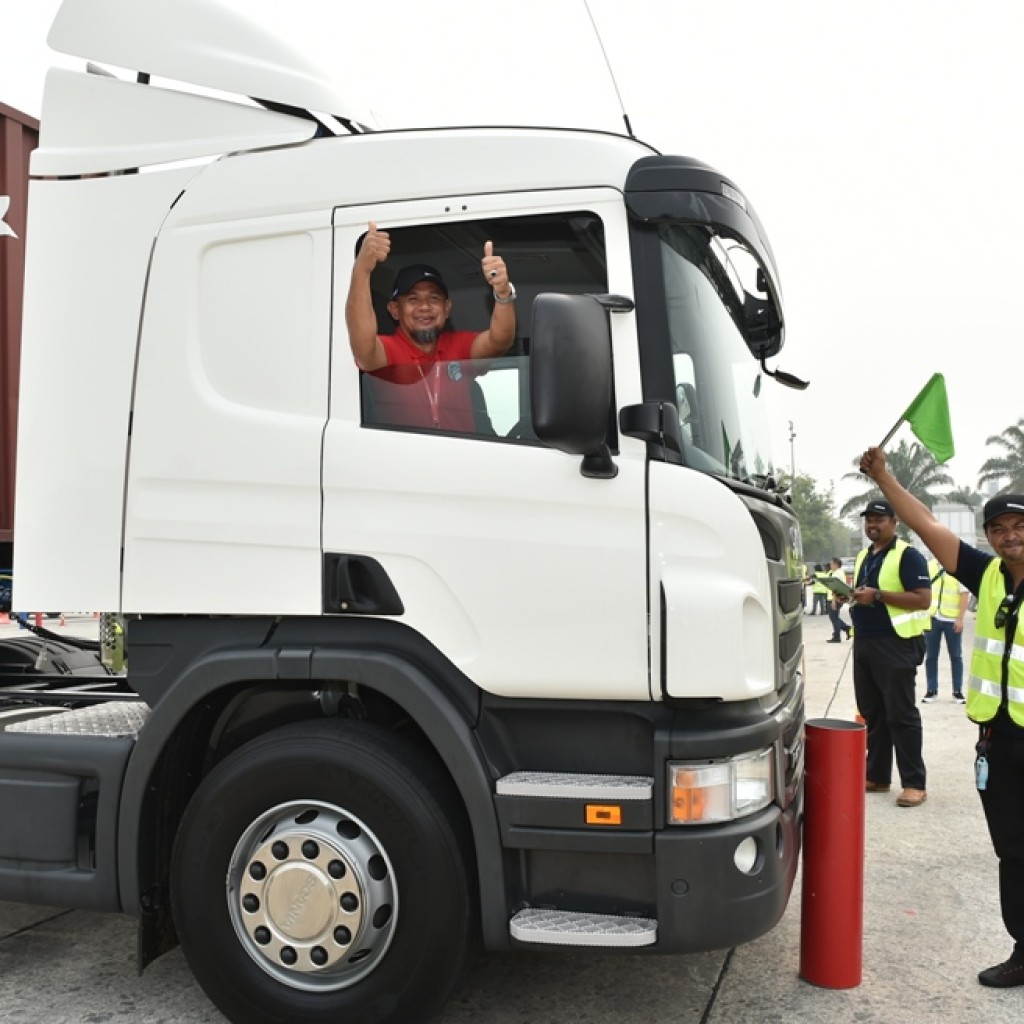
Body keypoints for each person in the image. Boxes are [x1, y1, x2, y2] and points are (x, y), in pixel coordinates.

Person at [860, 446, 1024, 988]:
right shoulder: (989, 575)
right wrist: (884, 476)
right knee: (1013, 852)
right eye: (998, 527)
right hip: (999, 742)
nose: (1009, 535)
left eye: (1020, 524)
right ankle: (1023, 949)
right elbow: (925, 522)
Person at [345, 222, 516, 431]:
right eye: (413, 299)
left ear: (447, 308)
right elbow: (363, 349)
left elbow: (500, 341)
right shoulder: (388, 349)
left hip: (466, 458)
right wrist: (362, 269)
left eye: (434, 298)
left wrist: (503, 292)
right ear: (394, 310)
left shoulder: (458, 346)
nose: (424, 307)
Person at [848, 498, 932, 808]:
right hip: (866, 642)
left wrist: (879, 595)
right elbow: (864, 593)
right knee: (873, 713)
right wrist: (849, 595)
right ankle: (878, 775)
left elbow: (922, 599)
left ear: (894, 523)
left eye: (879, 519)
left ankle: (914, 783)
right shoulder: (863, 556)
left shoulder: (907, 556)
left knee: (901, 714)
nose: (873, 524)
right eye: (868, 519)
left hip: (896, 643)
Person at [922, 555, 969, 704]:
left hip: (952, 619)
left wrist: (960, 618)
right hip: (932, 617)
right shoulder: (929, 566)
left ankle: (957, 691)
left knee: (955, 656)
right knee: (930, 656)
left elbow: (964, 595)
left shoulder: (958, 568)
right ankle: (931, 690)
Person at [826, 556, 852, 642]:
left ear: (836, 564)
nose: (830, 565)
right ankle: (846, 629)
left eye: (831, 564)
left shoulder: (837, 573)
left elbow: (836, 588)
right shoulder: (838, 572)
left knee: (834, 618)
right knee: (834, 617)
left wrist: (833, 600)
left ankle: (837, 636)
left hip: (835, 598)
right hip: (837, 598)